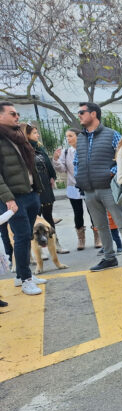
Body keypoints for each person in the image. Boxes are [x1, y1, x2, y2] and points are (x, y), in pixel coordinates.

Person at [0, 102, 47, 295]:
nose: (17, 116)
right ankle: (26, 280)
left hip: (30, 193)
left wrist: (37, 190)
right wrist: (8, 199)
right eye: (12, 113)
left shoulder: (18, 136)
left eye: (17, 113)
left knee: (27, 236)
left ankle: (22, 275)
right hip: (14, 197)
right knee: (20, 237)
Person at [74, 101, 122, 272]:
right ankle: (109, 258)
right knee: (100, 226)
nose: (79, 115)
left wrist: (112, 172)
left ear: (93, 114)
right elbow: (77, 161)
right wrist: (78, 175)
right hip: (89, 189)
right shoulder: (81, 138)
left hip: (107, 187)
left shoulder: (112, 134)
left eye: (82, 112)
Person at [21, 123, 69, 255]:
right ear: (27, 134)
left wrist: (52, 176)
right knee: (35, 219)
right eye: (35, 133)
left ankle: (55, 243)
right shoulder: (24, 149)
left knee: (48, 217)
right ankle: (37, 249)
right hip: (34, 188)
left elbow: (47, 164)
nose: (37, 135)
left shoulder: (39, 148)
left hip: (46, 187)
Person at [53, 128, 97, 250]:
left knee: (93, 211)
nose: (68, 138)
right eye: (67, 136)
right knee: (78, 213)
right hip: (73, 187)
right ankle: (81, 240)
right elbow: (61, 169)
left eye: (71, 136)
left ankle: (97, 237)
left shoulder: (88, 149)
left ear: (78, 137)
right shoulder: (66, 152)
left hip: (89, 185)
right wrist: (56, 159)